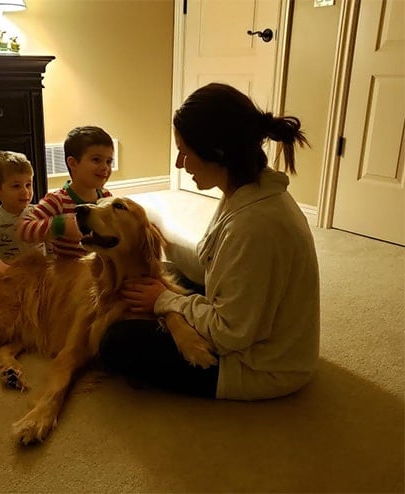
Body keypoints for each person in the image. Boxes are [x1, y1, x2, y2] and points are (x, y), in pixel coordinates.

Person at [99, 83, 320, 401]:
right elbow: (210, 265)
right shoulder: (246, 190)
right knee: (167, 271)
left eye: (184, 152)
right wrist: (163, 242)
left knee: (116, 341)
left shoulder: (255, 226)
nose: (179, 163)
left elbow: (230, 334)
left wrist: (165, 300)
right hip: (254, 325)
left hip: (263, 366)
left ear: (217, 152)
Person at [18, 126, 114, 258]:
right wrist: (59, 226)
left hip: (100, 265)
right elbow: (24, 229)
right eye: (96, 160)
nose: (105, 167)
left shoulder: (106, 197)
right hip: (68, 268)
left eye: (109, 161)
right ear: (73, 163)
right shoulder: (57, 200)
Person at [0, 151, 43, 276]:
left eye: (28, 184)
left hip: (40, 272)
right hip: (9, 274)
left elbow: (51, 240)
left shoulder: (40, 212)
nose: (25, 191)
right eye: (16, 186)